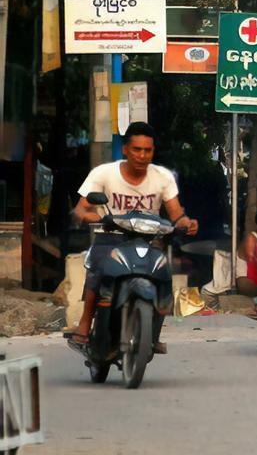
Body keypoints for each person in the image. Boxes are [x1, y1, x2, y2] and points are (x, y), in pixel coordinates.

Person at [69, 122, 199, 347]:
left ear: (153, 151)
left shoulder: (163, 177)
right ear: (125, 150)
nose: (142, 155)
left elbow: (176, 214)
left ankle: (154, 332)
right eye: (137, 149)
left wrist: (186, 223)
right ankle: (85, 322)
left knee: (163, 275)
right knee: (98, 271)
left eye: (147, 150)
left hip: (149, 240)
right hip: (111, 237)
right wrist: (100, 219)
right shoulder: (103, 173)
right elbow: (82, 209)